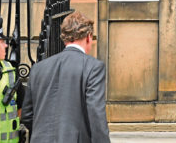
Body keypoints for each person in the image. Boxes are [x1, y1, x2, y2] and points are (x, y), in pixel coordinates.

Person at [21, 12, 110, 143]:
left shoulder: (38, 68)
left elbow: (27, 115)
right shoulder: (93, 67)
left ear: (64, 38)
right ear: (88, 37)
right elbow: (96, 114)